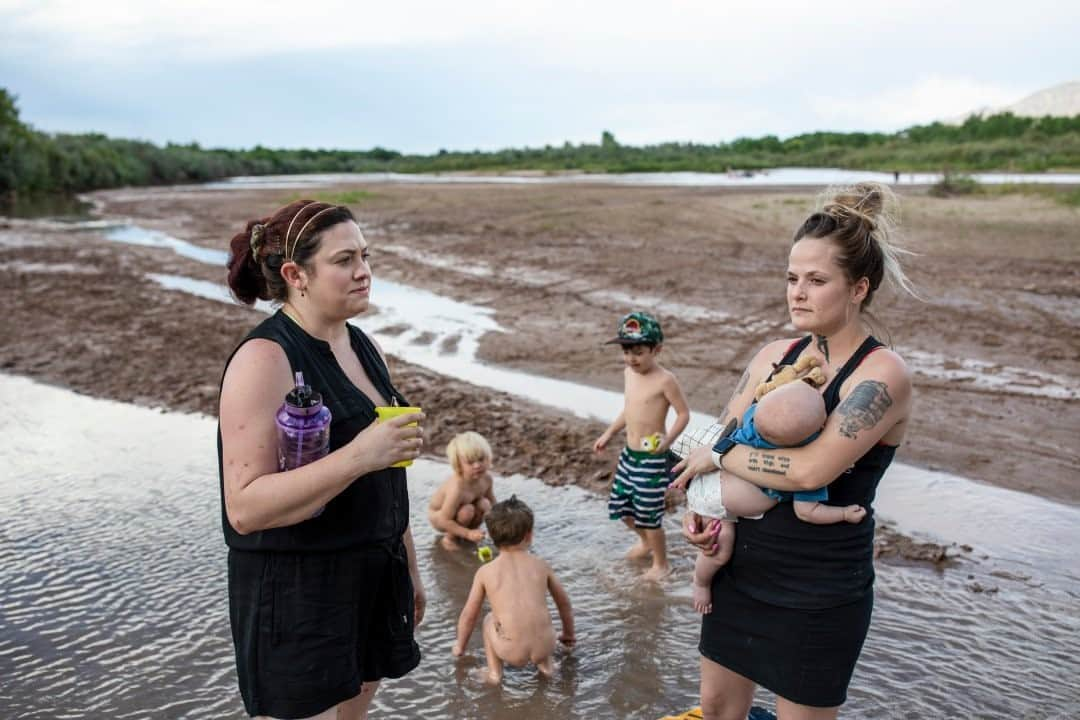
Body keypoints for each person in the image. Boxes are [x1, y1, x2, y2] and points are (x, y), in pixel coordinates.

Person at [673, 182, 915, 720]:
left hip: (820, 593)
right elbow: (710, 445)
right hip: (738, 573)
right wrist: (700, 515)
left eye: (816, 280)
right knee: (716, 712)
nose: (797, 292)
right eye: (791, 278)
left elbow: (808, 472)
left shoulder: (880, 376)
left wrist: (719, 455)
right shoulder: (770, 358)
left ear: (859, 288)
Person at [218, 199, 427, 720]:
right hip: (299, 594)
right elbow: (244, 507)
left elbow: (387, 471)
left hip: (374, 575)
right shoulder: (264, 358)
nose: (364, 272)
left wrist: (411, 569)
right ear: (296, 275)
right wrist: (358, 456)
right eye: (344, 260)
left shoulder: (361, 344)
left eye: (366, 255)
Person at [670, 379, 867, 614]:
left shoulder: (753, 421)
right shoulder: (798, 463)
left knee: (713, 547)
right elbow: (807, 511)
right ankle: (700, 583)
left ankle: (700, 581)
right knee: (718, 553)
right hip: (718, 504)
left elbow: (733, 427)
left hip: (710, 478)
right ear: (821, 430)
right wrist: (843, 513)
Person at [593, 311, 691, 581]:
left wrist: (668, 442)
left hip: (652, 457)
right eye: (626, 352)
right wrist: (609, 433)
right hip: (629, 455)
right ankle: (646, 542)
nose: (631, 359)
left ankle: (661, 564)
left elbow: (684, 414)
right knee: (621, 508)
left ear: (656, 349)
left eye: (638, 352)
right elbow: (630, 409)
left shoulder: (665, 380)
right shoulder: (629, 373)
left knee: (649, 513)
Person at [452, 496, 575, 684]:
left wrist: (460, 647)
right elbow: (564, 604)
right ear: (529, 535)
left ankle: (494, 674)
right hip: (545, 645)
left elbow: (469, 614)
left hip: (511, 651)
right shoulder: (541, 566)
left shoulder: (486, 572)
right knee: (538, 618)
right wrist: (568, 635)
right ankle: (547, 668)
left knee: (487, 619)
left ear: (492, 537)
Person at [428, 431, 496, 551]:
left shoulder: (486, 479)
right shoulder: (457, 489)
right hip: (439, 517)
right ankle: (450, 539)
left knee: (485, 504)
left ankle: (467, 533)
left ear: (488, 457)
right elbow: (444, 520)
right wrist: (468, 534)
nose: (477, 465)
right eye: (470, 462)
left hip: (460, 511)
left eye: (481, 459)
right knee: (467, 511)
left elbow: (493, 504)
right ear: (459, 465)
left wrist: (503, 524)